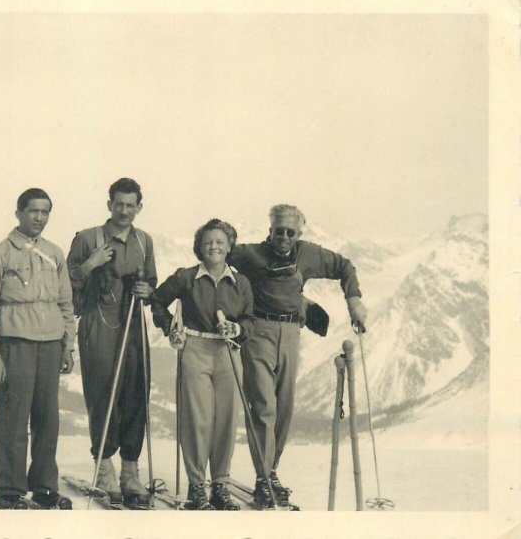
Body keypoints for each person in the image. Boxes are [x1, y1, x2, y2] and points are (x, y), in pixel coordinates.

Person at [228, 204, 368, 509]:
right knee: (264, 405)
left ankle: (271, 471)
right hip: (259, 332)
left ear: (299, 234)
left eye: (291, 232)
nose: (284, 237)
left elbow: (344, 266)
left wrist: (354, 301)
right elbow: (217, 251)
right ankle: (263, 478)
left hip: (291, 333)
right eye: (279, 231)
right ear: (270, 231)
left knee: (284, 407)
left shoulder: (309, 254)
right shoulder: (251, 254)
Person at [0, 188, 76, 510]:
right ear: (18, 213)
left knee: (48, 419)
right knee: (11, 418)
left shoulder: (55, 253)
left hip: (49, 344)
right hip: (15, 344)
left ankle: (45, 486)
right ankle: (8, 488)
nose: (39, 218)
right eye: (33, 211)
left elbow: (65, 303)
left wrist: (67, 346)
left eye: (45, 212)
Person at [151, 219, 255, 511]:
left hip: (228, 351)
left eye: (220, 242)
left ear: (229, 245)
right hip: (195, 347)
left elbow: (250, 320)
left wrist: (236, 330)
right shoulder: (186, 277)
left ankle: (220, 484)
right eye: (209, 242)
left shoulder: (241, 282)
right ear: (200, 246)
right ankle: (197, 486)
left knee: (225, 419)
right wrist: (170, 326)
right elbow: (157, 300)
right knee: (198, 419)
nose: (214, 247)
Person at [66, 178, 157, 508]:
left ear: (138, 208)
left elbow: (152, 284)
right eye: (118, 204)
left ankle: (130, 473)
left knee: (135, 394)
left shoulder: (144, 242)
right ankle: (104, 469)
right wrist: (91, 264)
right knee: (103, 394)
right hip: (98, 323)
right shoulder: (87, 238)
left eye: (130, 205)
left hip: (133, 324)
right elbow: (65, 285)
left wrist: (148, 291)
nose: (124, 210)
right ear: (109, 205)